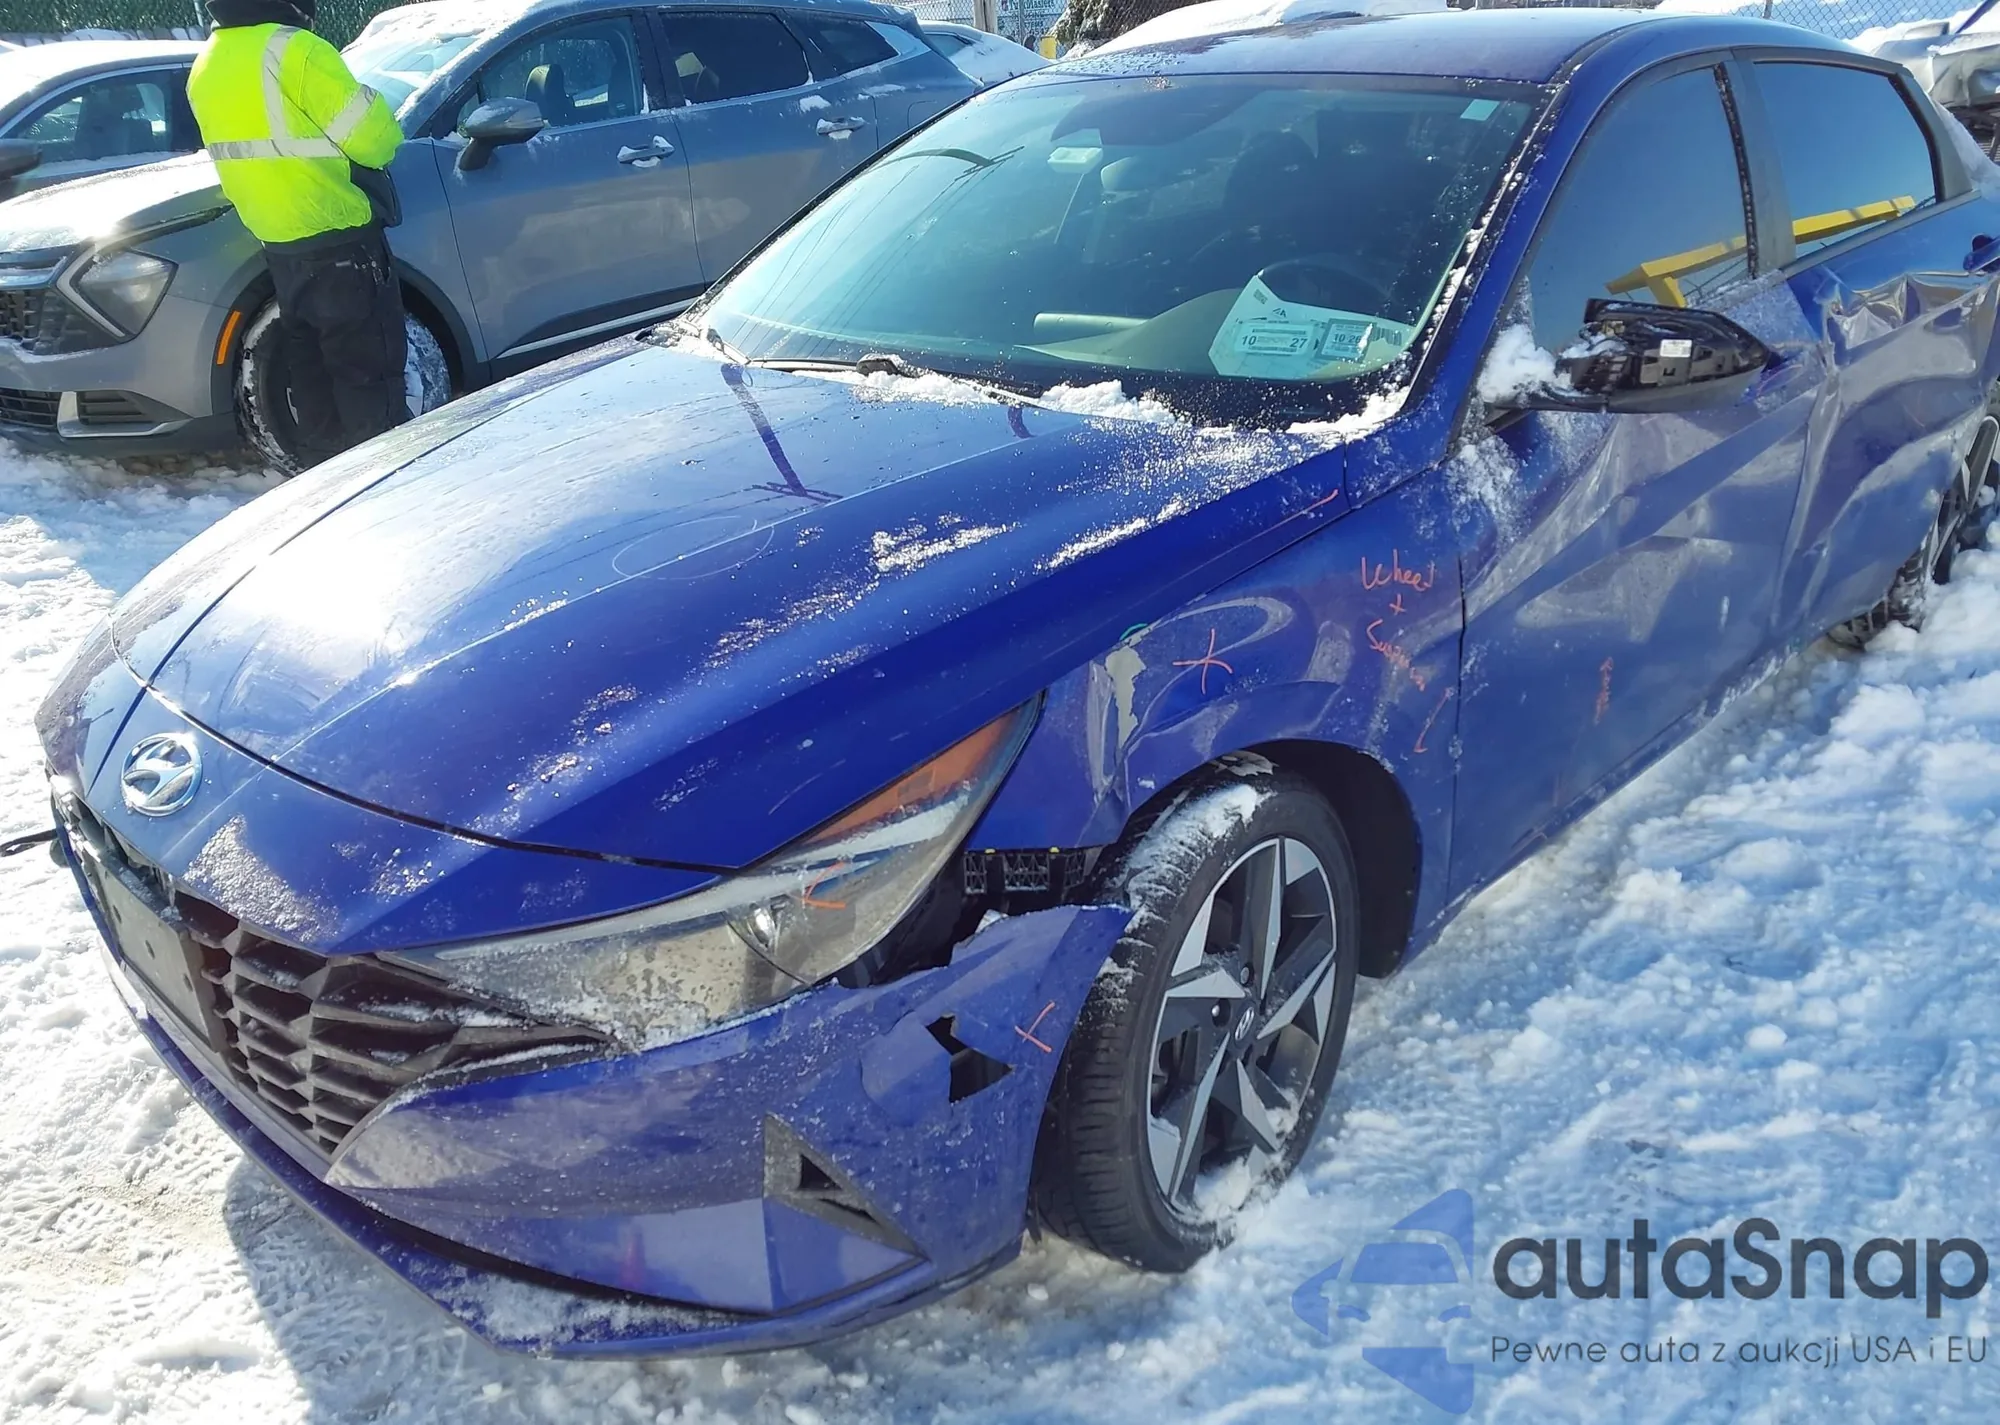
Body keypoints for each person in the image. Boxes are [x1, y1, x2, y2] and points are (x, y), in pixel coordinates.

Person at [187, 0, 408, 465]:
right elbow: (377, 142)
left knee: (311, 373)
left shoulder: (208, 63)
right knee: (367, 374)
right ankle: (388, 476)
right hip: (339, 235)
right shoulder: (297, 50)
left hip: (278, 241)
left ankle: (327, 474)